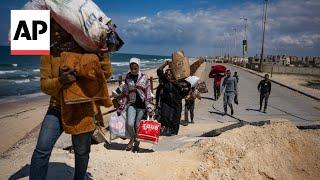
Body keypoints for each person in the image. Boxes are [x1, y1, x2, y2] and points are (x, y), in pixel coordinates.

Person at [30, 20, 113, 180]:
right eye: (53, 29)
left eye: (60, 27)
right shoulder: (48, 53)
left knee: (82, 152)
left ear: (70, 27)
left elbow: (106, 74)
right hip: (57, 107)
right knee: (42, 150)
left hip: (83, 109)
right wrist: (60, 80)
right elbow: (44, 85)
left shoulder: (86, 49)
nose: (56, 32)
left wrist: (103, 53)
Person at [117, 58, 154, 152]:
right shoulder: (128, 78)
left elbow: (148, 93)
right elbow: (125, 93)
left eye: (135, 68)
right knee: (129, 124)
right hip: (131, 104)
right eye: (132, 68)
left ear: (138, 67)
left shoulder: (145, 77)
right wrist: (121, 107)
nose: (133, 70)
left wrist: (149, 108)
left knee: (137, 125)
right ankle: (133, 139)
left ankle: (136, 143)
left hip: (142, 106)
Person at [157, 61, 190, 136]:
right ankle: (167, 130)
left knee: (176, 118)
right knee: (165, 116)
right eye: (167, 74)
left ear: (173, 74)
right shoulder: (165, 82)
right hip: (166, 103)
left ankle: (174, 133)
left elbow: (188, 86)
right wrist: (165, 64)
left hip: (177, 103)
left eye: (170, 74)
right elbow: (159, 70)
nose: (168, 76)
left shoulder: (179, 82)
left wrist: (184, 92)